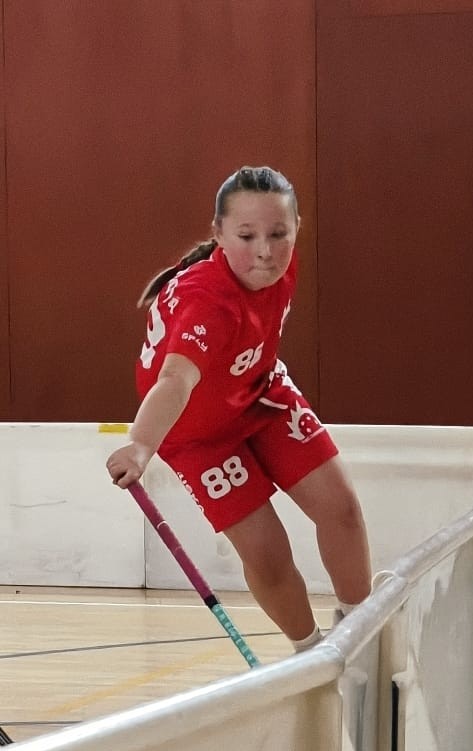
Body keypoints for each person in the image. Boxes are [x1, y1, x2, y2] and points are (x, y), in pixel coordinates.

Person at [106, 166, 372, 653]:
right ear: (219, 234)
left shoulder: (280, 265)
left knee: (342, 510)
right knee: (267, 554)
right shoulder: (207, 303)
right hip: (197, 433)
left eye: (279, 234)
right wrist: (141, 446)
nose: (266, 251)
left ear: (297, 229)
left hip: (260, 391)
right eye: (247, 237)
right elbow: (175, 380)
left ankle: (364, 636)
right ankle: (310, 656)